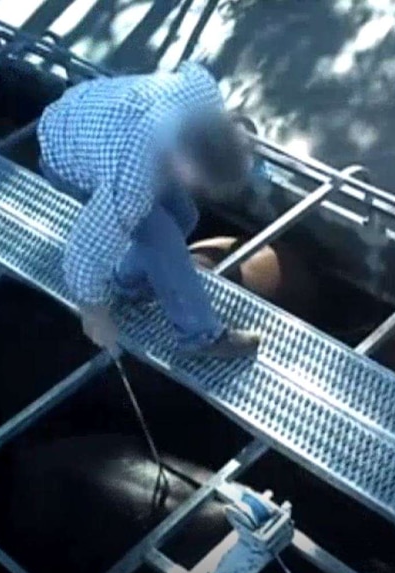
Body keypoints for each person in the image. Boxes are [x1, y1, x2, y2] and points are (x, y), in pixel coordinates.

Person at [37, 62, 261, 358]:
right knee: (162, 238)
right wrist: (94, 313)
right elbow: (84, 252)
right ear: (183, 163)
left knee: (185, 215)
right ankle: (201, 337)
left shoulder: (205, 92)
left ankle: (126, 282)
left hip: (97, 112)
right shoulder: (132, 180)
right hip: (64, 148)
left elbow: (191, 67)